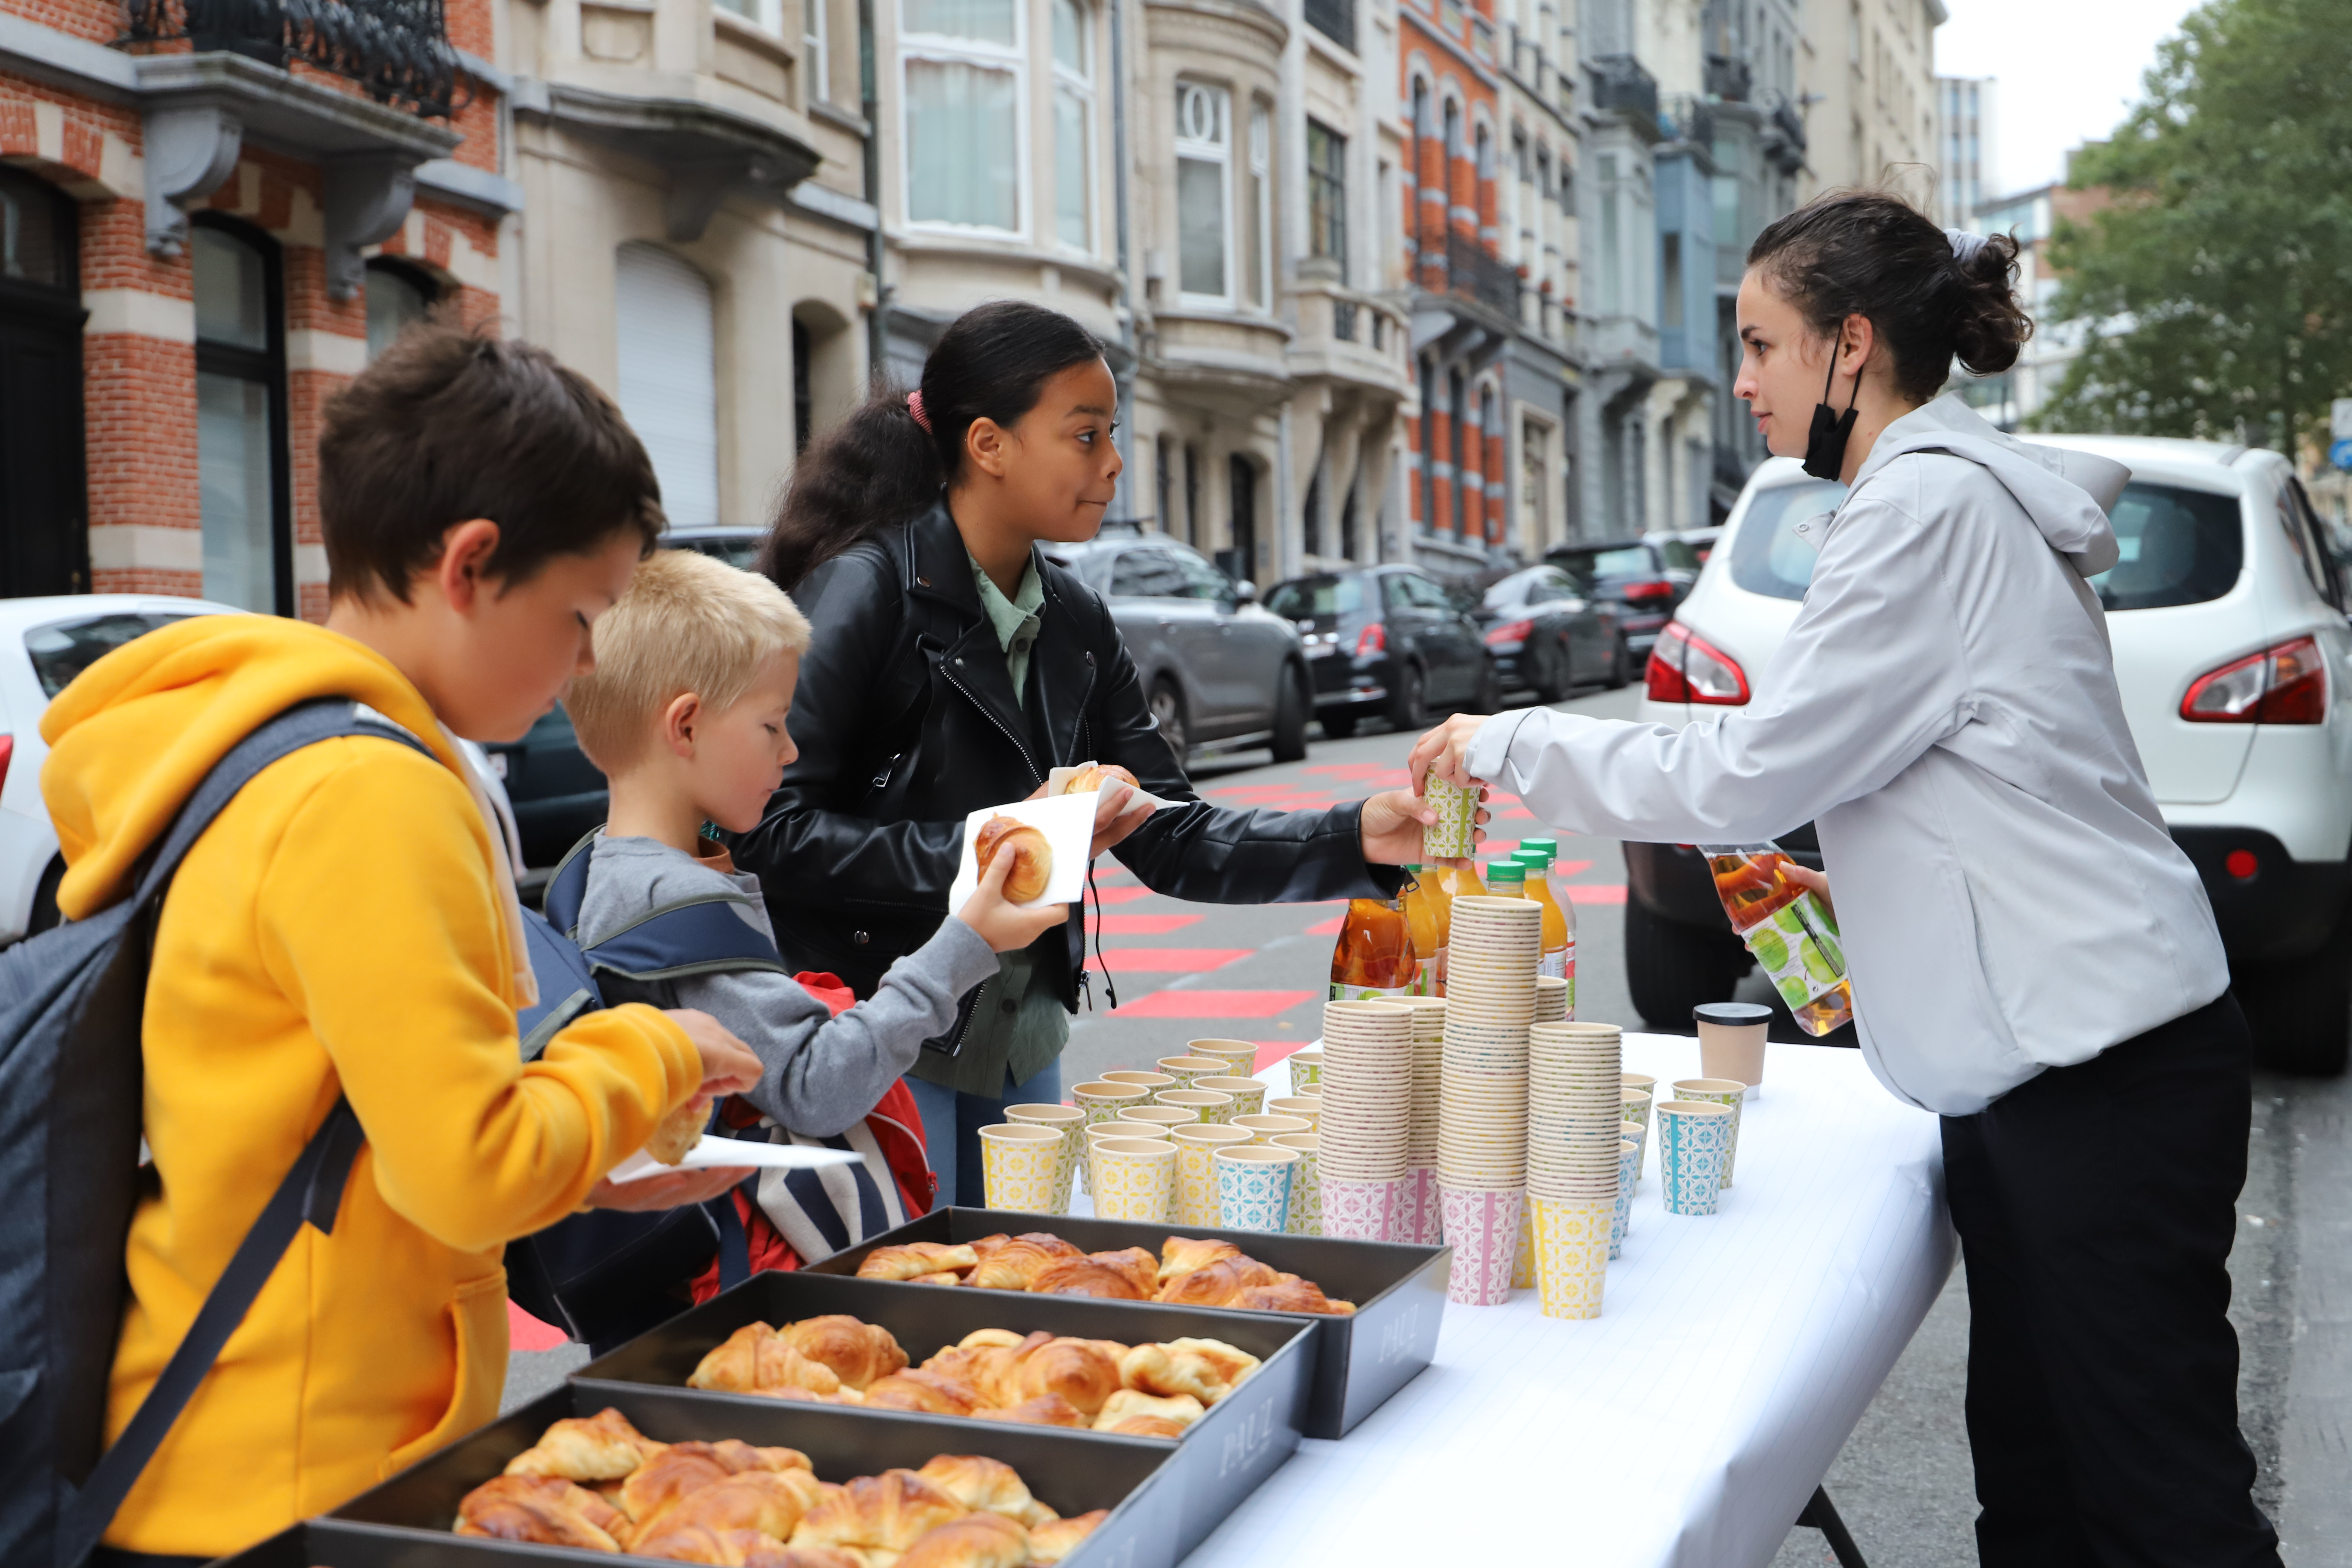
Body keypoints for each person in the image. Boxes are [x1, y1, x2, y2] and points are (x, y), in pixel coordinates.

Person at [1414, 190, 2278, 1568]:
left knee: (2154, 1500)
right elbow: (1962, 775)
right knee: (2048, 1493)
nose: (1743, 382)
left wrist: (1509, 739)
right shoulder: (1935, 495)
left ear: (1851, 346)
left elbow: (1755, 769)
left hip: (2098, 1077)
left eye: (1761, 345)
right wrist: (1862, 899)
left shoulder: (1921, 507)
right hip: (2058, 1068)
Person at [40, 320, 767, 1564]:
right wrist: (651, 1052)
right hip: (297, 1483)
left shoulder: (269, 750)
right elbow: (467, 1168)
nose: (590, 664)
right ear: (472, 566)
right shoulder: (370, 794)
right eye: (584, 617)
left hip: (219, 1445)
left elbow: (367, 1130)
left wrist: (593, 1162)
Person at [731, 299, 1437, 1202]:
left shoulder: (1074, 616)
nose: (1112, 465)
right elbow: (770, 830)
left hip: (1019, 1036)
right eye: (1086, 434)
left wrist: (1359, 836)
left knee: (1020, 1295)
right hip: (883, 1030)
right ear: (989, 444)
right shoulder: (867, 590)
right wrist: (1005, 845)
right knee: (926, 1304)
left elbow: (1171, 833)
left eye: (1113, 434)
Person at [560, 548, 1069, 1274]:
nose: (792, 750)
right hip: (743, 1289)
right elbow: (815, 1085)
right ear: (685, 727)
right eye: (772, 727)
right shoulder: (670, 898)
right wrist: (964, 944)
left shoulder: (596, 872)